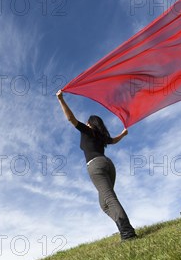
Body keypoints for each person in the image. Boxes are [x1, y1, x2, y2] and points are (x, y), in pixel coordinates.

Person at [56, 90, 137, 241]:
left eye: (87, 122)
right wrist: (123, 134)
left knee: (109, 198)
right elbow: (113, 141)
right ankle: (123, 228)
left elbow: (70, 118)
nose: (86, 123)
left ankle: (128, 233)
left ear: (90, 124)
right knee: (104, 204)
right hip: (108, 164)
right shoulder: (102, 136)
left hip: (96, 166)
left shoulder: (87, 131)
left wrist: (61, 99)